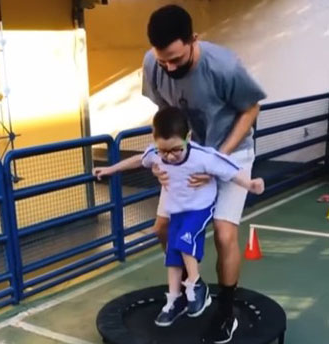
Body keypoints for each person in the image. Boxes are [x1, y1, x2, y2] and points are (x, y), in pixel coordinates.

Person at [142, 4, 266, 343]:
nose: (169, 67)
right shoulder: (153, 64)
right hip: (187, 154)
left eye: (176, 60)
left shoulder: (223, 66)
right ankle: (189, 292)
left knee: (224, 235)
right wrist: (164, 162)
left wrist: (215, 161)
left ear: (193, 40)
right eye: (163, 59)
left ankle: (226, 313)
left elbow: (251, 108)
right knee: (162, 228)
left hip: (231, 153)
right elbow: (164, 114)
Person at [94, 107, 264, 331]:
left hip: (199, 209)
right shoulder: (157, 153)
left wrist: (250, 184)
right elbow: (137, 160)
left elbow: (230, 169)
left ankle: (196, 285)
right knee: (173, 254)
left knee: (185, 241)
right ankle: (175, 297)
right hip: (177, 210)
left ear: (188, 138)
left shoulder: (203, 156)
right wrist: (111, 169)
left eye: (176, 149)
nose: (169, 156)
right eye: (163, 151)